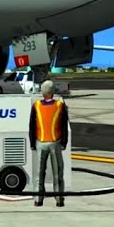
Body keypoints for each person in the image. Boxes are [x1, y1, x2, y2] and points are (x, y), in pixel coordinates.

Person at [28, 79, 69, 207]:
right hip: (55, 143)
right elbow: (64, 125)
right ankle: (59, 199)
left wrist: (32, 143)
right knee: (58, 173)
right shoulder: (60, 105)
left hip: (40, 142)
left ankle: (38, 199)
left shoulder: (36, 105)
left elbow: (32, 126)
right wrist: (64, 142)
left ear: (42, 91)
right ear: (53, 91)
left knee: (39, 174)